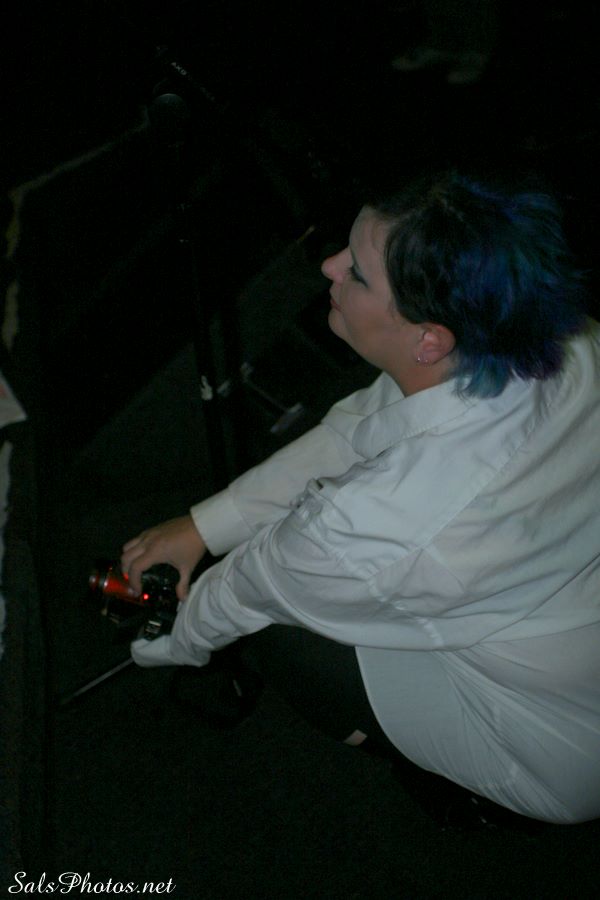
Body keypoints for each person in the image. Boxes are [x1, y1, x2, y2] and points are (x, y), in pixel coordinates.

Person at [121, 169, 600, 826]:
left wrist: (167, 641)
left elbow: (247, 590)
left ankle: (463, 790)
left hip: (560, 751)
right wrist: (203, 526)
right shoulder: (563, 341)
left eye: (358, 273)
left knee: (287, 638)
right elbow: (361, 428)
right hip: (569, 631)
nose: (329, 266)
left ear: (429, 339)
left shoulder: (372, 522)